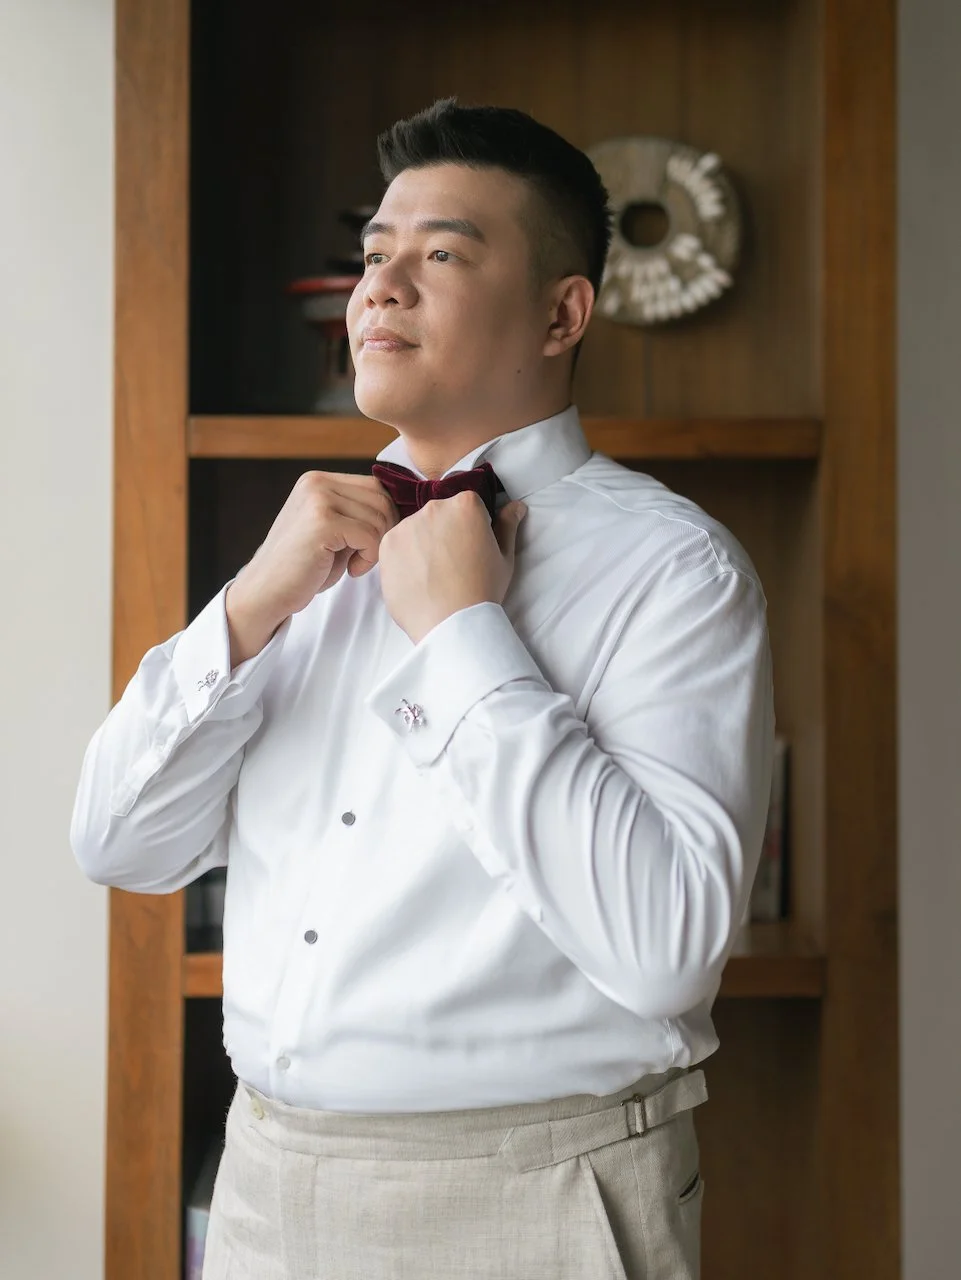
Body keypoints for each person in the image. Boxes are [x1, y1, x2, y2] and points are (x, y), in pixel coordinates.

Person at [72, 98, 774, 1280]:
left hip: (537, 1198)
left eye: (440, 253)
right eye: (372, 255)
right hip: (263, 1188)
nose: (381, 286)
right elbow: (120, 844)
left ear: (563, 312)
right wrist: (247, 609)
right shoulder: (301, 558)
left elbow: (665, 947)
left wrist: (463, 633)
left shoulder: (677, 568)